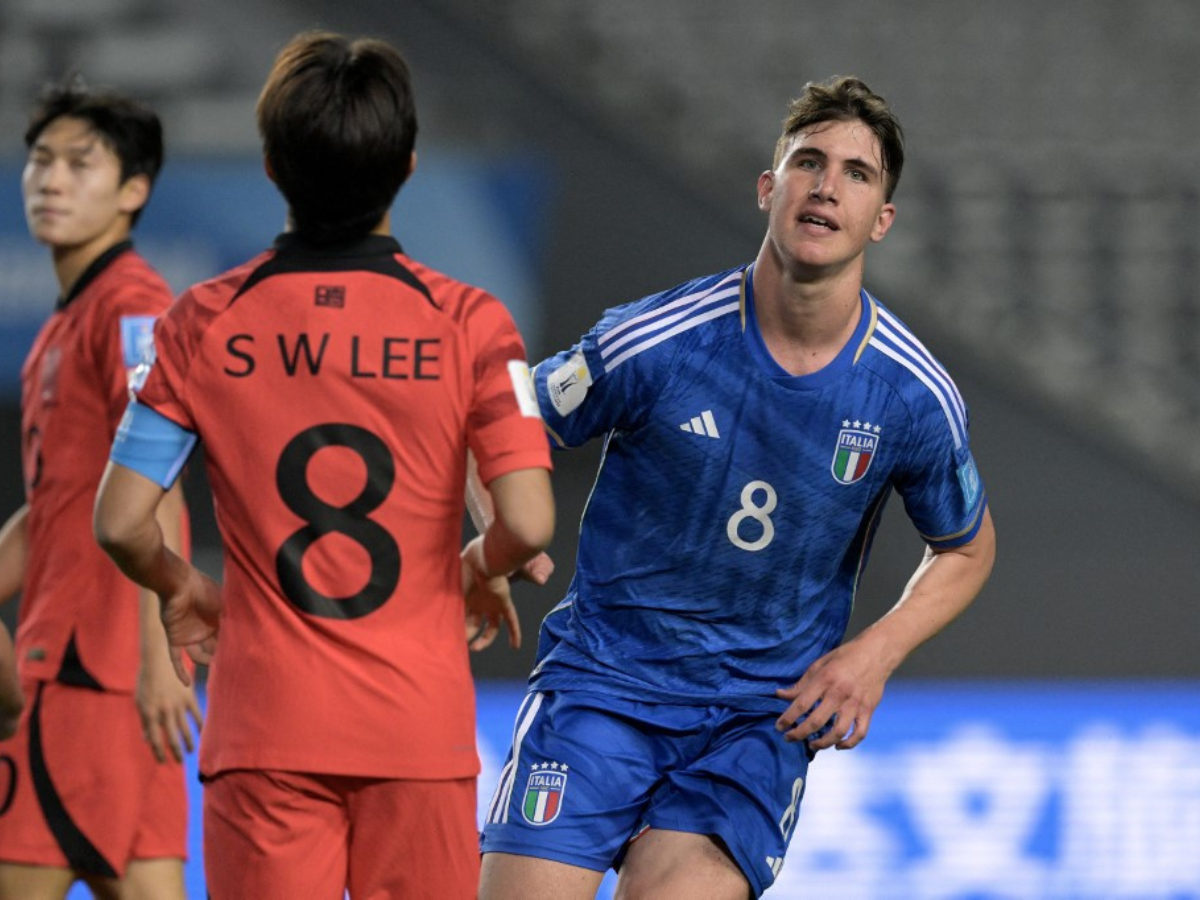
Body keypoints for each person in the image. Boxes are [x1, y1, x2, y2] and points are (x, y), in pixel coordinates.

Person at [476, 75, 997, 899]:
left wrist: (874, 654)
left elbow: (966, 547)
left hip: (758, 719)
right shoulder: (657, 342)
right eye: (808, 161)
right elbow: (503, 416)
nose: (828, 185)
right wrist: (490, 540)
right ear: (769, 188)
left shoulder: (908, 394)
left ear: (881, 219)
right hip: (604, 687)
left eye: (857, 175)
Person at [92, 30, 555, 900]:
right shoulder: (473, 322)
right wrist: (476, 569)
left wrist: (180, 589)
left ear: (270, 166)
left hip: (264, 735)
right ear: (409, 166)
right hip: (419, 738)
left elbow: (117, 522)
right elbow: (527, 519)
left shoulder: (200, 323)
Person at [0, 77, 199, 899]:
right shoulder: (68, 317)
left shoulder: (131, 303)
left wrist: (162, 657)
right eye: (41, 160)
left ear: (133, 191)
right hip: (108, 679)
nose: (51, 180)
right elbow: (58, 499)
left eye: (80, 164)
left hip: (86, 672)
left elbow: (162, 481)